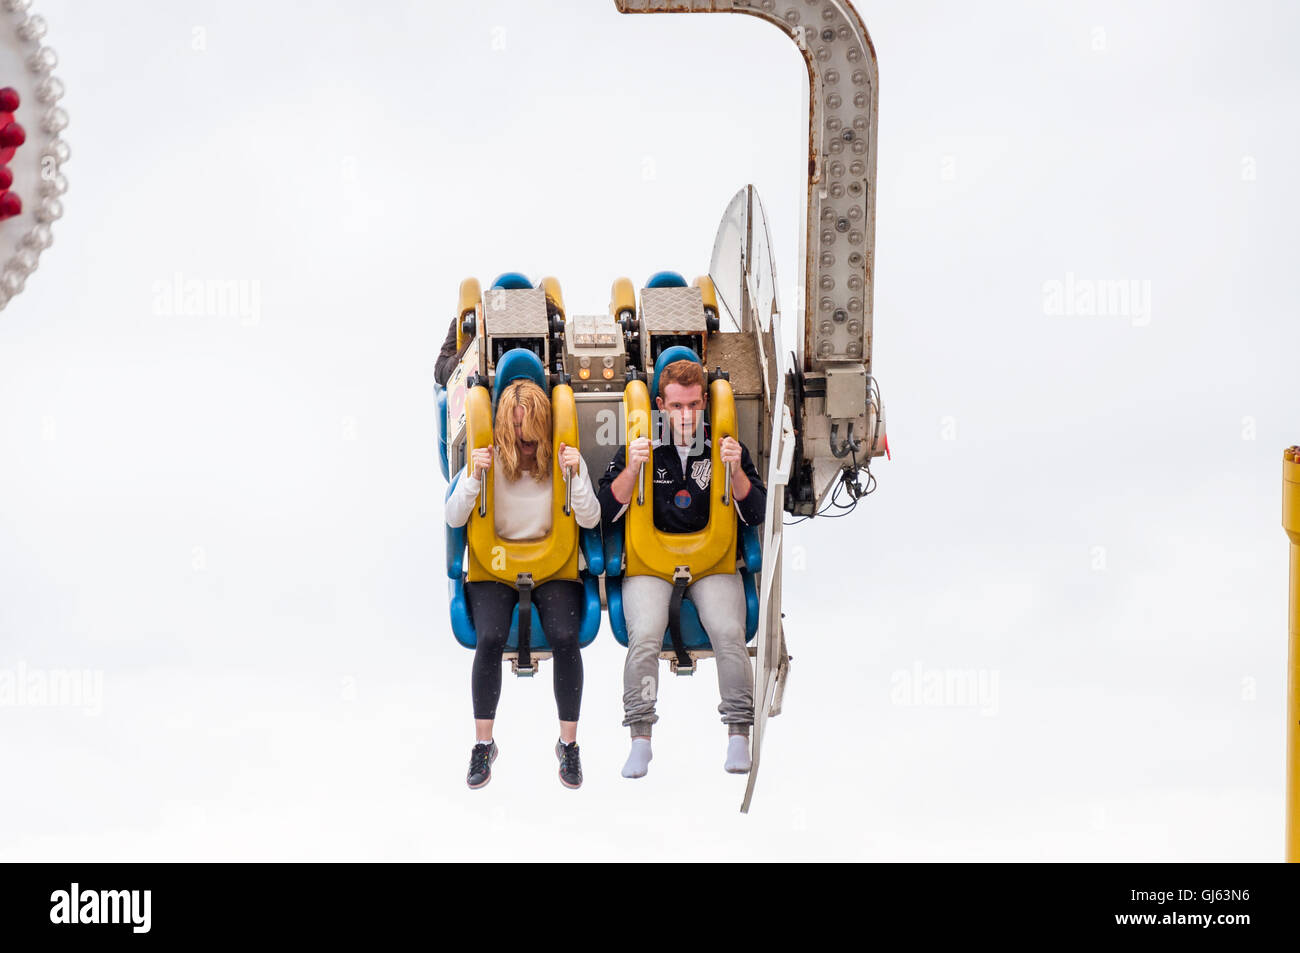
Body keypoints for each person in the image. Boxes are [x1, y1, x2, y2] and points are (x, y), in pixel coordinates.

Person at [597, 359, 767, 779]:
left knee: (729, 634)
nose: (686, 416)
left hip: (710, 562)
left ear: (705, 405)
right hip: (652, 565)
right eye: (676, 407)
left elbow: (757, 510)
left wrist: (736, 473)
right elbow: (602, 511)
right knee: (645, 639)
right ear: (661, 406)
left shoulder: (726, 447)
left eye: (693, 405)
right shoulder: (641, 445)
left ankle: (738, 734)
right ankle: (640, 739)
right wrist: (634, 468)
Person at [446, 378, 601, 790]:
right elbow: (453, 517)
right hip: (496, 568)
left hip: (552, 567)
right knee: (491, 636)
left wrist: (575, 477)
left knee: (566, 635)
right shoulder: (489, 458)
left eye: (531, 424)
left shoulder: (564, 459)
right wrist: (473, 478)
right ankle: (483, 744)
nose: (523, 435)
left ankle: (568, 745)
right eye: (515, 425)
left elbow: (589, 518)